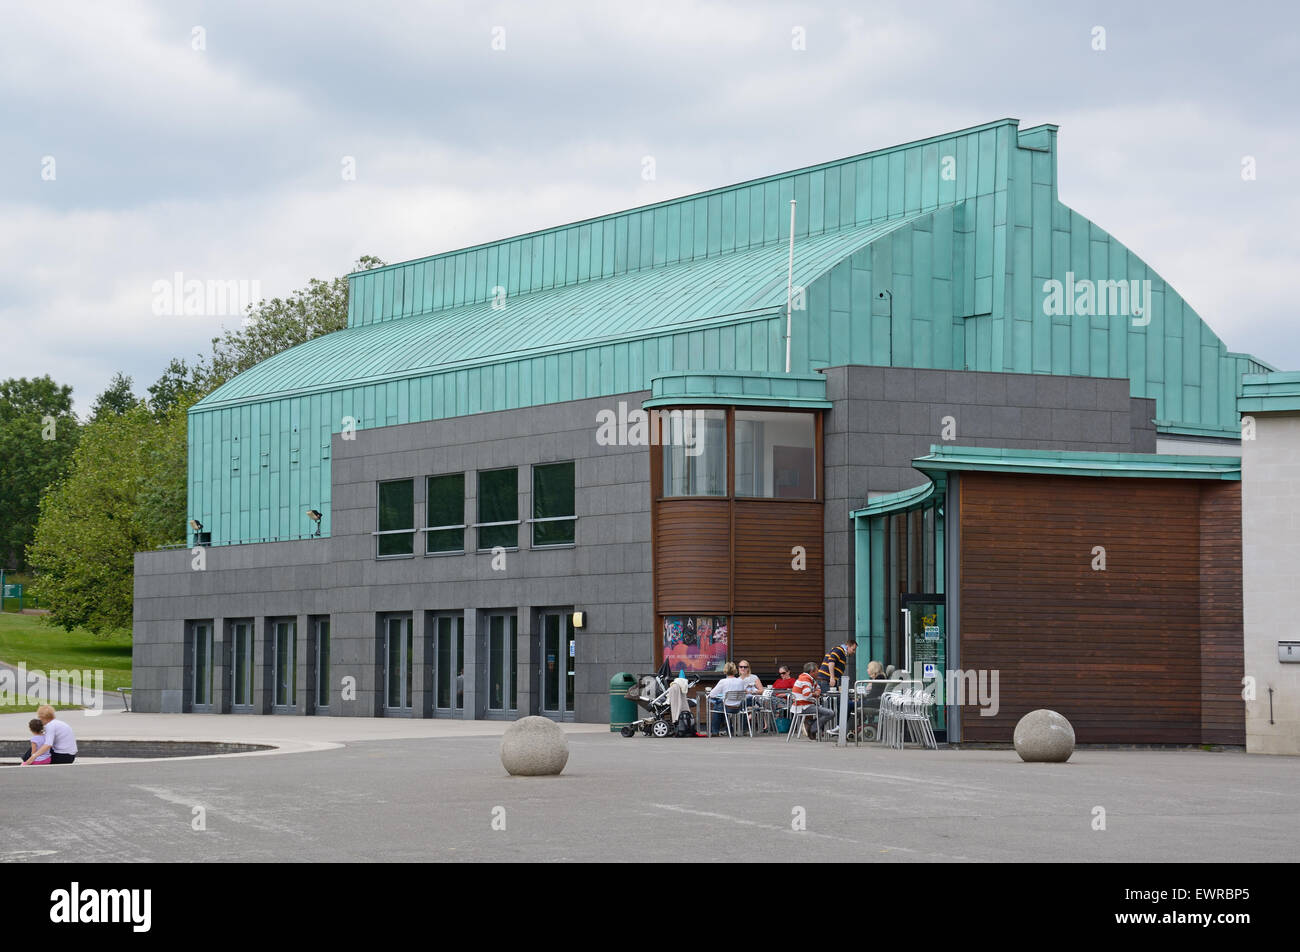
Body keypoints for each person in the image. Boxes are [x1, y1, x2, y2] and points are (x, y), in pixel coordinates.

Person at [790, 663, 835, 739]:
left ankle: (811, 724)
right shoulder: (805, 679)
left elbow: (818, 688)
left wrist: (816, 692)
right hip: (803, 706)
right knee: (830, 713)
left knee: (823, 712)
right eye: (817, 670)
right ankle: (812, 728)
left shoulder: (809, 679)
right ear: (812, 671)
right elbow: (807, 694)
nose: (818, 672)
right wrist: (816, 694)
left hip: (803, 705)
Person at [707, 662, 748, 734]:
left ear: (725, 670)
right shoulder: (741, 681)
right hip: (738, 708)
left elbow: (712, 694)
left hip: (727, 707)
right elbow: (743, 692)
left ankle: (714, 731)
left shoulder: (723, 681)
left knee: (717, 706)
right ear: (735, 670)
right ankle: (729, 729)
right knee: (720, 706)